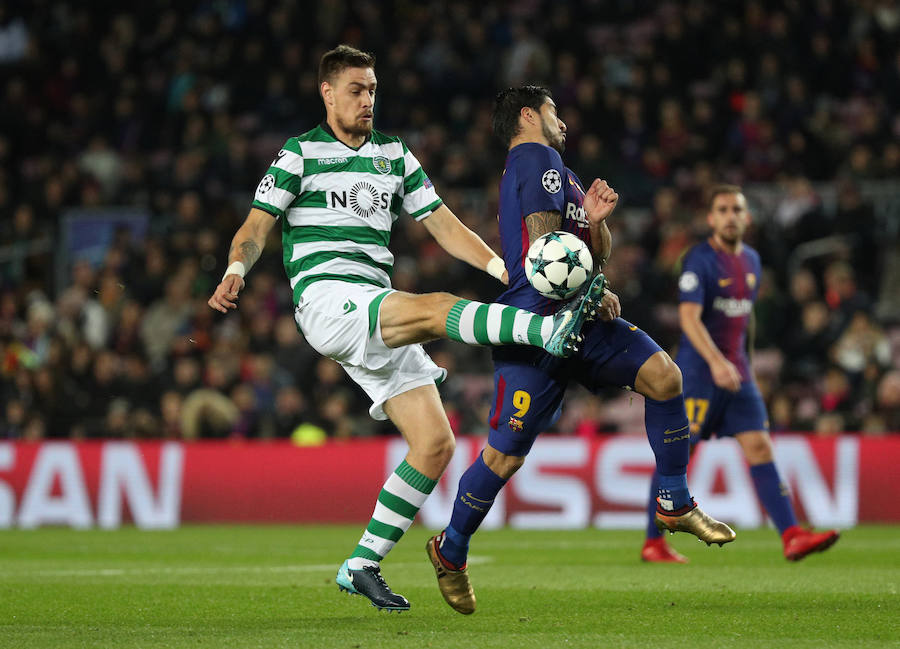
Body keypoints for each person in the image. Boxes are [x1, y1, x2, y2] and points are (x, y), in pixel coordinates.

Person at [207, 46, 605, 613]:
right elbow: (254, 226)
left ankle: (362, 564)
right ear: (326, 92)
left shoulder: (394, 154)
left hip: (372, 304)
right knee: (433, 307)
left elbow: (442, 223)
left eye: (372, 90)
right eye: (355, 90)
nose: (367, 100)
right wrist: (236, 269)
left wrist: (506, 270)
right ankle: (539, 331)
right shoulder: (298, 154)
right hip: (326, 299)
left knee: (435, 444)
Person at [425, 86, 735, 616]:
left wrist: (593, 220)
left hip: (580, 318)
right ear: (529, 115)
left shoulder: (560, 172)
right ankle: (450, 552)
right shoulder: (535, 157)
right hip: (535, 326)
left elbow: (591, 250)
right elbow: (548, 254)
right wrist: (590, 286)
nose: (561, 121)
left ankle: (674, 502)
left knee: (664, 376)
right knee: (503, 456)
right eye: (553, 110)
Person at [640, 185, 839, 564]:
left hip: (737, 377)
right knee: (677, 458)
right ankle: (653, 542)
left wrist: (743, 368)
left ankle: (792, 535)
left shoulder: (751, 260)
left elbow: (742, 323)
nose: (731, 216)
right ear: (711, 218)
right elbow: (688, 318)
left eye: (737, 209)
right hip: (699, 375)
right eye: (723, 209)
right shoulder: (699, 260)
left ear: (746, 218)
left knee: (760, 447)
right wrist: (716, 362)